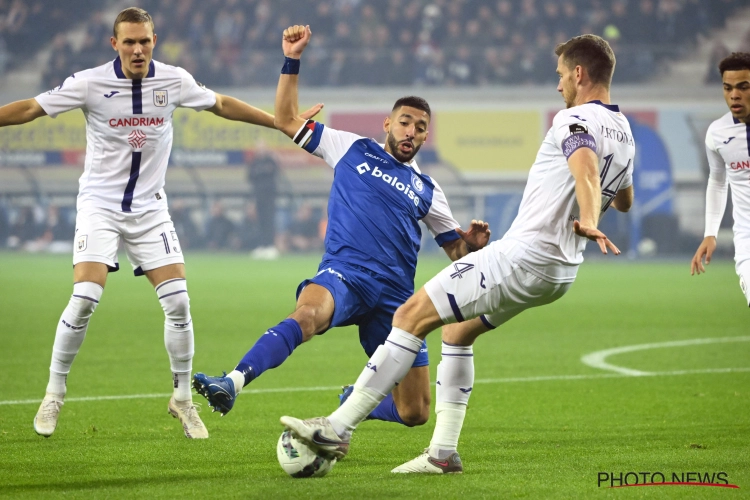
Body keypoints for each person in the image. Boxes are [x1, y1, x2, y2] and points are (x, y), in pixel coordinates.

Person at [280, 34, 635, 473]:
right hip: (561, 273)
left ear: (579, 74)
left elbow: (583, 166)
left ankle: (335, 427)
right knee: (457, 333)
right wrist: (594, 210)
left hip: (525, 257)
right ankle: (443, 454)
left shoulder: (573, 120)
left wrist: (587, 214)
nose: (558, 85)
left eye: (561, 75)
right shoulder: (624, 133)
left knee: (408, 316)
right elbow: (625, 199)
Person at [0, 7, 321, 439]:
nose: (137, 49)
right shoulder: (89, 82)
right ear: (114, 44)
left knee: (180, 305)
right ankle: (54, 393)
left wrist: (281, 124)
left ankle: (183, 400)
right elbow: (30, 108)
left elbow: (222, 104)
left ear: (155, 41)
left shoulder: (173, 79)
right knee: (84, 299)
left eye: (145, 41)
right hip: (100, 206)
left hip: (151, 210)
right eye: (129, 41)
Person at [193, 25, 490, 433]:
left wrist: (470, 245)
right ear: (388, 123)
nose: (411, 132)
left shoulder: (428, 189)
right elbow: (284, 119)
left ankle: (357, 402)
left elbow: (455, 251)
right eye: (405, 122)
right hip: (345, 273)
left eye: (420, 127)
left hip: (395, 298)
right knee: (308, 315)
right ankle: (232, 381)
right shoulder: (351, 147)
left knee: (416, 412)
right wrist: (292, 59)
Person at [691, 52, 750, 308]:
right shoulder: (717, 133)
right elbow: (717, 181)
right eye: (728, 88)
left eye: (743, 87)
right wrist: (710, 233)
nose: (734, 95)